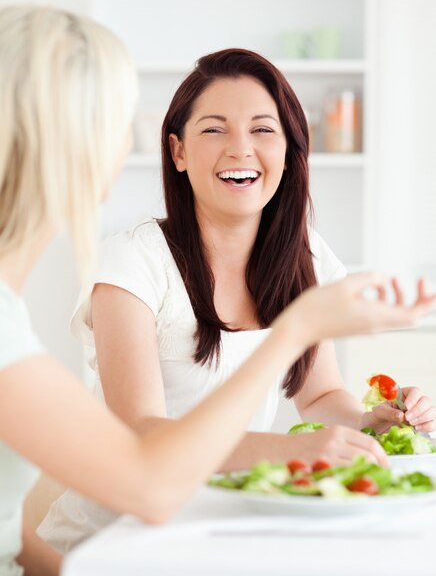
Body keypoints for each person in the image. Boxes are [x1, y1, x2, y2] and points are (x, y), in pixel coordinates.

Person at [38, 47, 436, 553]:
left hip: (219, 525)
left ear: (290, 150)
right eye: (214, 129)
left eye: (263, 130)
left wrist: (366, 424)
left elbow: (317, 396)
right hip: (112, 539)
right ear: (178, 152)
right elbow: (144, 437)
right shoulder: (132, 263)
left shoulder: (305, 257)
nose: (241, 149)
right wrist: (289, 451)